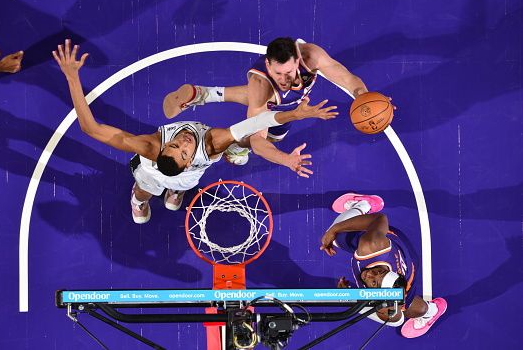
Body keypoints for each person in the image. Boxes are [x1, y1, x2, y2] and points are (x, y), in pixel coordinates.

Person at [53, 39, 339, 223]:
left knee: (183, 187)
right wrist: (294, 115)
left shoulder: (165, 150)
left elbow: (91, 128)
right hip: (154, 172)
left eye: (177, 146)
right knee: (145, 187)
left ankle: (175, 190)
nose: (184, 141)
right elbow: (253, 125)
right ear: (187, 158)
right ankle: (139, 199)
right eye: (182, 148)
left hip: (186, 177)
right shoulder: (205, 144)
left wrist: (71, 77)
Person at [162, 37, 369, 175]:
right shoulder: (261, 85)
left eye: (288, 72)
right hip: (268, 101)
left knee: (275, 99)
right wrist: (286, 159)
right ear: (268, 64)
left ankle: (203, 94)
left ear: (297, 61)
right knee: (262, 134)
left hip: (275, 99)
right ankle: (237, 150)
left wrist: (365, 98)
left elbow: (348, 79)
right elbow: (258, 141)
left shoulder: (312, 55)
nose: (283, 79)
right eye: (277, 73)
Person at [319, 193, 447, 338]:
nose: (369, 274)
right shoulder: (371, 245)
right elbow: (380, 218)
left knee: (404, 313)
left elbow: (394, 318)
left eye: (373, 282)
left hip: (409, 267)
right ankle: (363, 205)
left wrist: (349, 296)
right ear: (384, 270)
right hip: (389, 240)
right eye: (378, 272)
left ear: (380, 294)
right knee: (334, 236)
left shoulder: (399, 294)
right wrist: (334, 230)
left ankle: (432, 311)